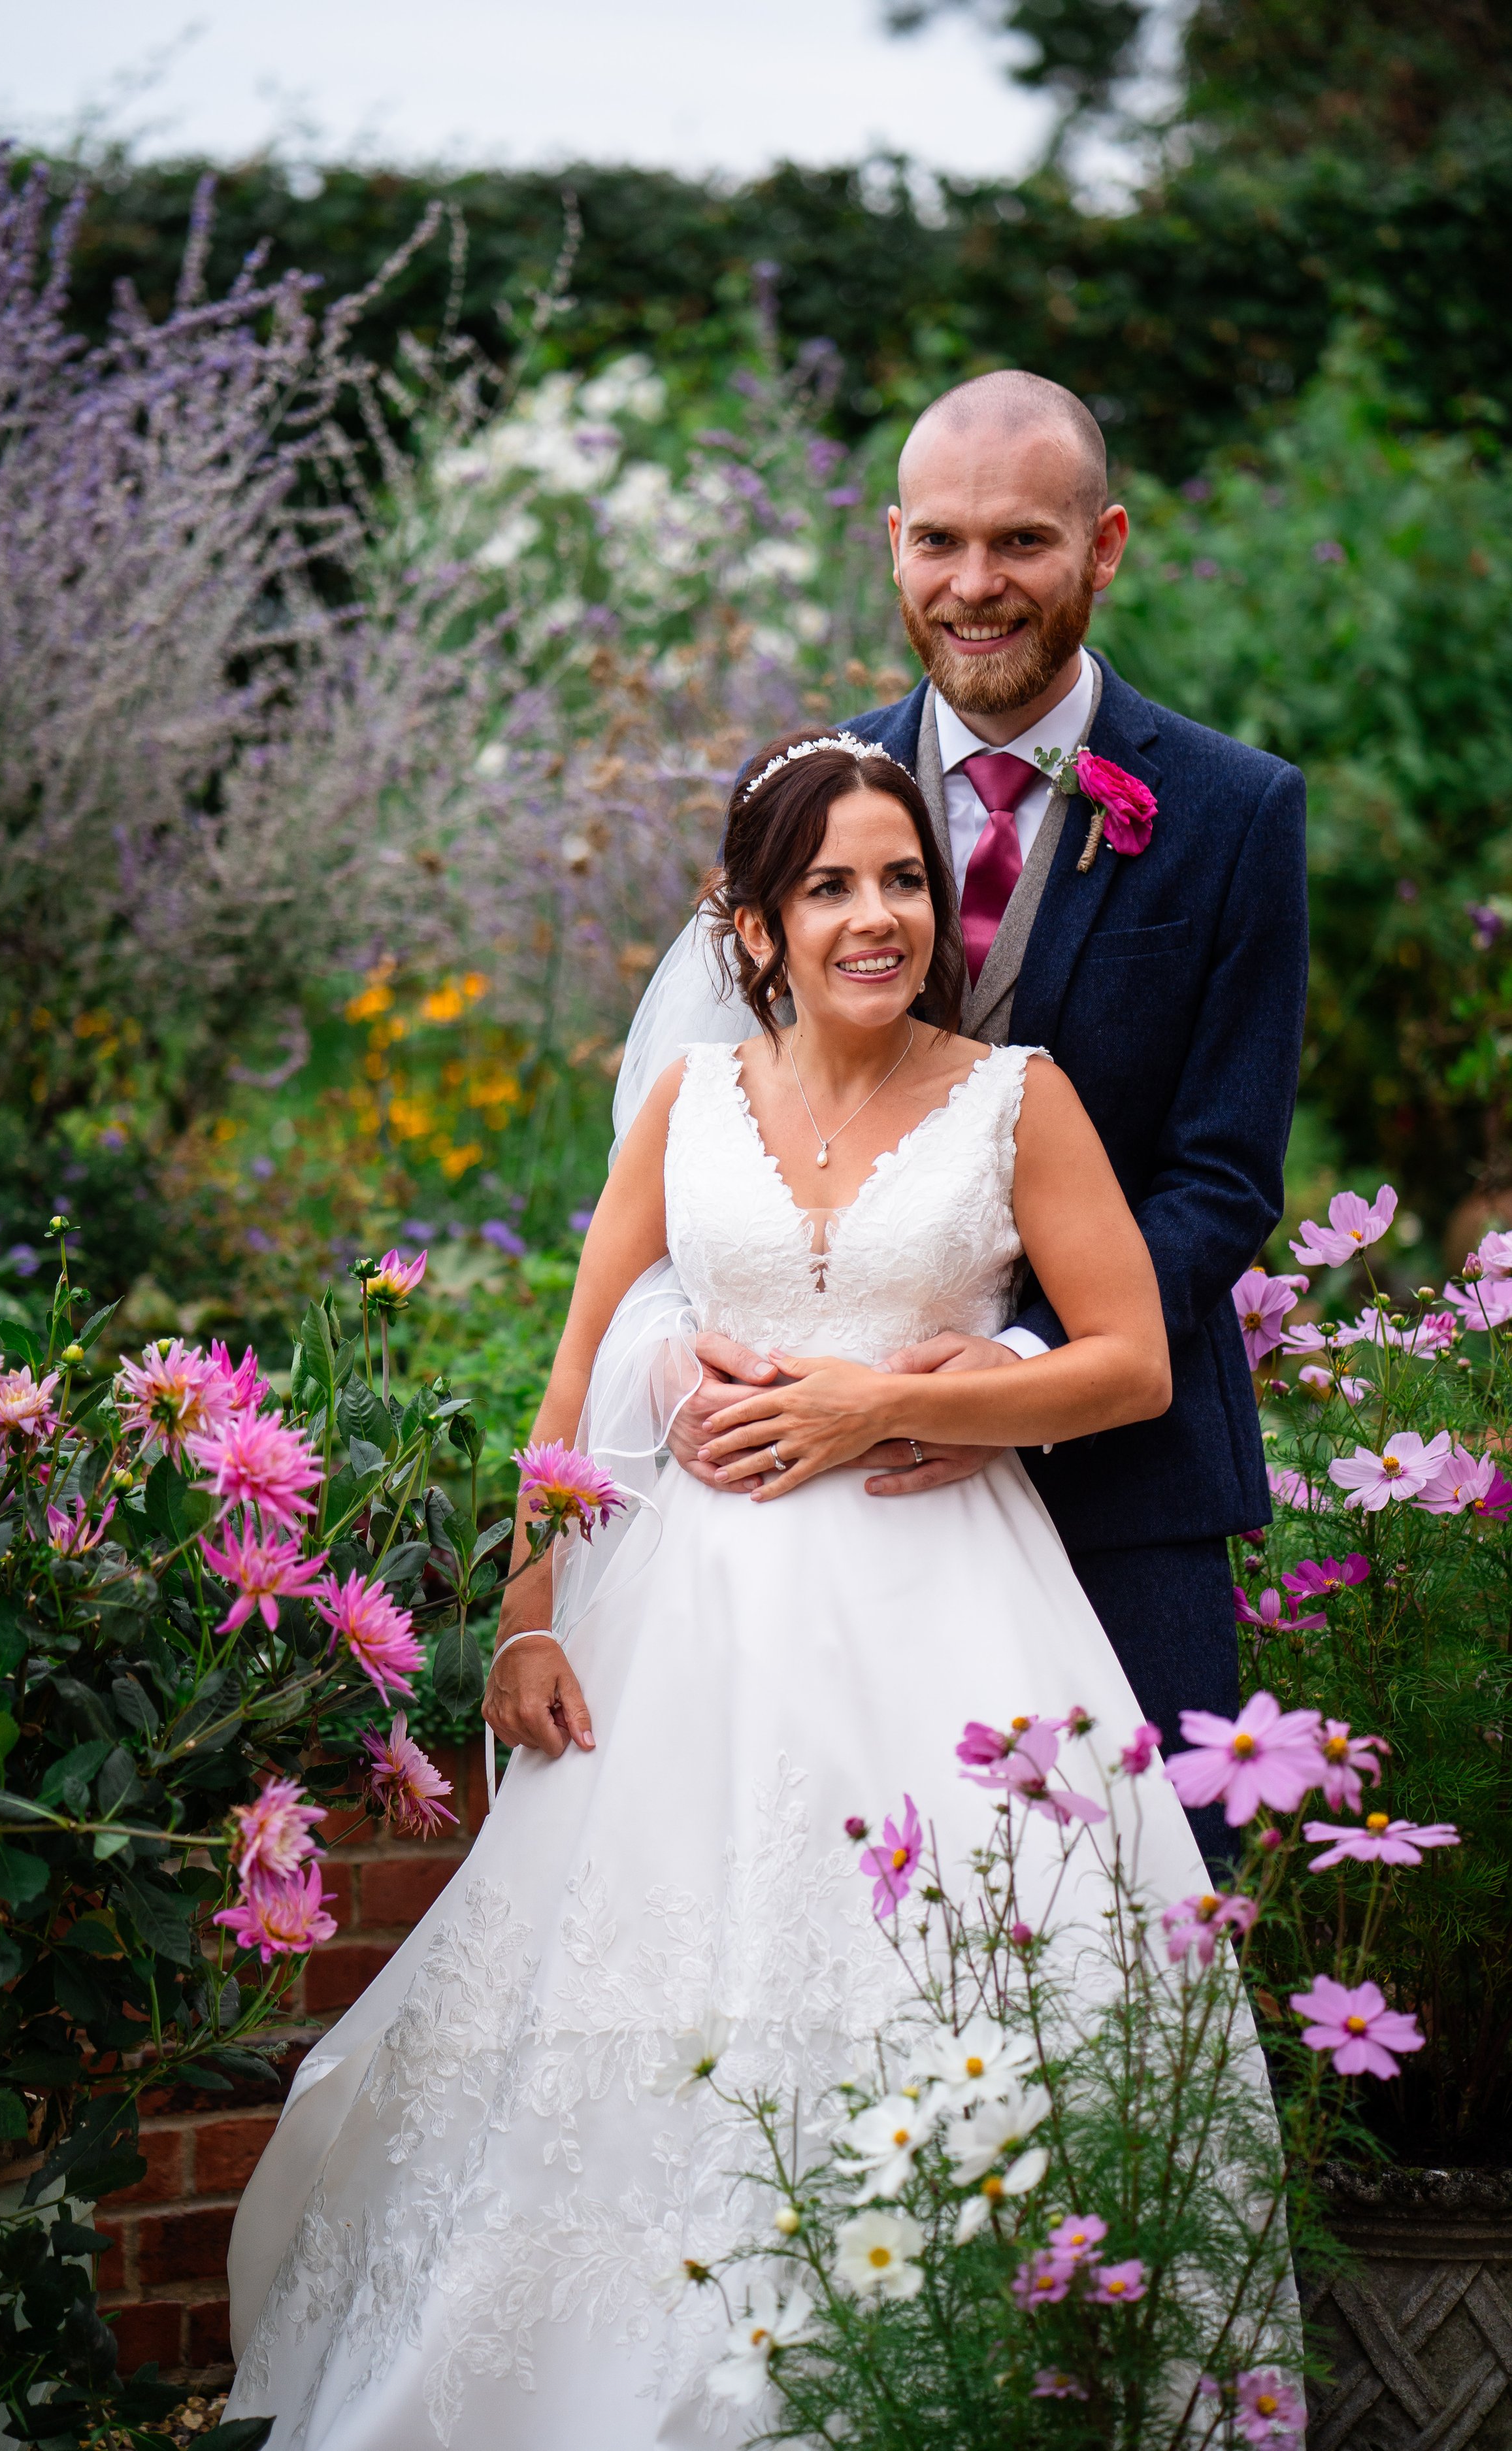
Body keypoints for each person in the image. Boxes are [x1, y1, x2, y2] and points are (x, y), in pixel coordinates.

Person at [225, 730, 1274, 2450]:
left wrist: (889, 1405)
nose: (877, 916)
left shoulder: (1016, 1098)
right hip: (685, 1633)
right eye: (829, 885)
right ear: (758, 925)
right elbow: (574, 1374)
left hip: (947, 1620)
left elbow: (1129, 1363)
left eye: (904, 880)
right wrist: (527, 1607)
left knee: (947, 1994)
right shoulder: (688, 1103)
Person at [619, 370, 1309, 1859]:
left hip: (1122, 1487)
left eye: (1021, 543)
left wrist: (1015, 1368)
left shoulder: (1234, 811)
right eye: (938, 540)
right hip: (823, 1517)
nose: (973, 584)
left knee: (1135, 1920)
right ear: (892, 545)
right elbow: (709, 1124)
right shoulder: (807, 796)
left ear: (1102, 547)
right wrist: (680, 1349)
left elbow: (1221, 1174)